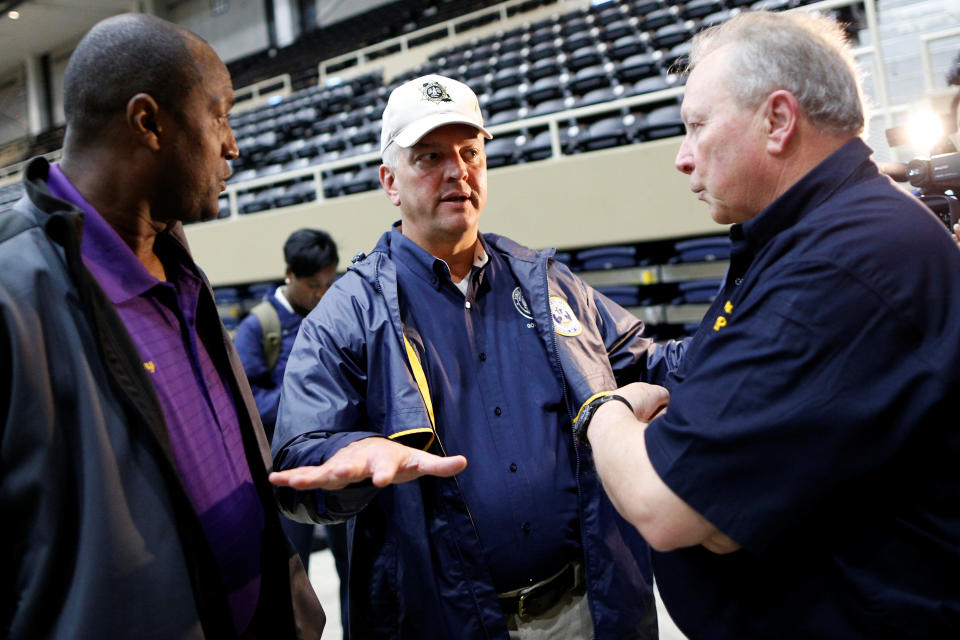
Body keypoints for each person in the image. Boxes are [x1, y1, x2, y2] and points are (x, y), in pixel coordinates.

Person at [581, 11, 960, 638]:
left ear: (779, 121)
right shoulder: (805, 238)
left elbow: (663, 503)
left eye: (698, 126)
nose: (682, 157)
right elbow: (717, 506)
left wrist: (605, 411)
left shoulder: (846, 258)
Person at [268, 74, 686, 639]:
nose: (457, 171)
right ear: (390, 181)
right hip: (447, 622)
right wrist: (355, 452)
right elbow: (301, 455)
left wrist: (744, 338)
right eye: (430, 156)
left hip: (587, 605)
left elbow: (645, 363)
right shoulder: (348, 315)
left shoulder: (546, 282)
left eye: (471, 153)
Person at [0, 14, 324, 639]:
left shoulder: (180, 268)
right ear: (148, 122)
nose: (232, 144)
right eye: (220, 114)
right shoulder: (15, 296)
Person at [233, 228, 347, 616]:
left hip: (336, 467)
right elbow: (246, 401)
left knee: (352, 570)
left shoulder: (332, 314)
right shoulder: (257, 328)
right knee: (293, 578)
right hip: (289, 477)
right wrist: (303, 402)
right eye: (314, 285)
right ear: (290, 275)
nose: (321, 293)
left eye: (328, 283)